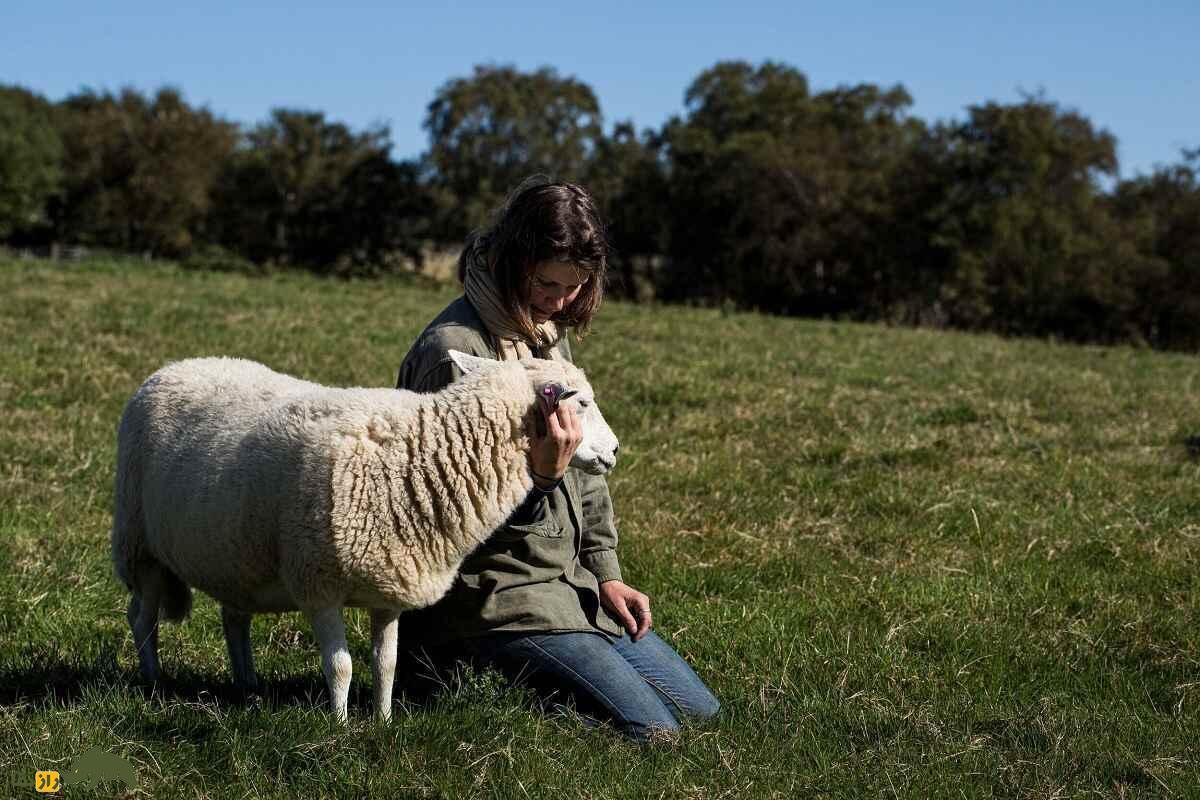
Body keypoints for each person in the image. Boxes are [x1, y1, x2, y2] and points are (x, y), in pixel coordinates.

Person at [394, 177, 719, 741]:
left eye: (575, 287)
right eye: (547, 283)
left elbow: (589, 477)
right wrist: (540, 480)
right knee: (654, 732)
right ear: (513, 260)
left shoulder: (544, 336)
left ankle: (552, 670)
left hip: (569, 588)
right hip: (488, 603)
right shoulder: (454, 354)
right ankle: (461, 683)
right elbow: (441, 524)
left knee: (701, 715)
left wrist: (606, 576)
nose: (560, 301)